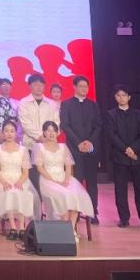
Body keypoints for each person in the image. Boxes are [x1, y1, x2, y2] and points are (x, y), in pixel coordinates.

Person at [35, 121, 95, 243]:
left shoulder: (63, 147)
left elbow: (68, 166)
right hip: (48, 179)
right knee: (64, 195)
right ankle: (65, 230)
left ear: (57, 133)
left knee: (76, 195)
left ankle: (70, 229)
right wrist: (54, 180)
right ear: (44, 133)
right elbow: (40, 168)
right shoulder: (39, 147)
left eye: (53, 130)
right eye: (48, 130)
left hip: (63, 177)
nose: (51, 133)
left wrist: (66, 180)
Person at [105, 85, 140, 230]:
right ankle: (124, 218)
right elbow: (112, 135)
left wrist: (133, 148)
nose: (121, 98)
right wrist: (126, 149)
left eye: (124, 95)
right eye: (118, 95)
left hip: (137, 157)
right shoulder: (111, 114)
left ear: (129, 97)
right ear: (115, 98)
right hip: (120, 157)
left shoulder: (139, 114)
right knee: (120, 190)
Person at [60, 74, 102, 224]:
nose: (84, 89)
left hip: (91, 149)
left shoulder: (93, 105)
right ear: (74, 87)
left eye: (86, 86)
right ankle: (75, 213)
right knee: (76, 182)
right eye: (81, 86)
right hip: (74, 149)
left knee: (92, 182)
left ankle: (92, 212)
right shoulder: (66, 104)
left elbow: (98, 125)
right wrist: (78, 142)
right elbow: (65, 125)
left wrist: (89, 142)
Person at [0, 120, 38, 240]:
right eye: (6, 131)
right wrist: (4, 182)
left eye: (12, 131)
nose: (9, 134)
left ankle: (21, 227)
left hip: (19, 178)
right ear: (2, 133)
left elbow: (25, 172)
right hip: (2, 178)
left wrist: (19, 182)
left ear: (16, 133)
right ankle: (12, 227)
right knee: (9, 192)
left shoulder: (23, 150)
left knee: (21, 192)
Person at [18, 73, 60, 188]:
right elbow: (25, 123)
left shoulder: (51, 103)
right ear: (29, 86)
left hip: (49, 146)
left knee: (49, 178)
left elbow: (56, 122)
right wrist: (40, 137)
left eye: (41, 85)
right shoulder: (23, 103)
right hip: (30, 145)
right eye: (35, 84)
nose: (39, 87)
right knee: (33, 178)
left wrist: (49, 137)